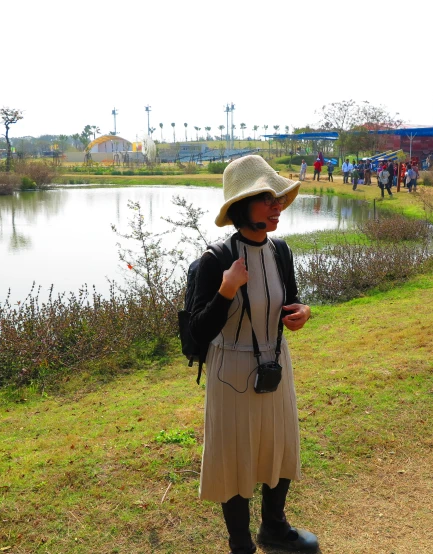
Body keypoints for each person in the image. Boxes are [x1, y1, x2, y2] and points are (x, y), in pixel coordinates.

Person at [190, 155, 318, 554]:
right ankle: (241, 542)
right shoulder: (214, 262)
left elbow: (288, 301)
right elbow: (194, 336)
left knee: (278, 446)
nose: (277, 205)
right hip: (230, 370)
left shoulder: (280, 252)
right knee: (236, 457)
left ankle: (274, 528)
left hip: (275, 365)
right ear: (242, 206)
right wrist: (227, 290)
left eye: (277, 197)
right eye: (266, 198)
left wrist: (302, 312)